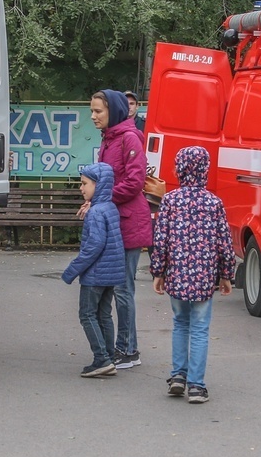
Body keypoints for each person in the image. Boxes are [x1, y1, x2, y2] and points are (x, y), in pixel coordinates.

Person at [150, 146, 234, 404]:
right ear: (205, 169)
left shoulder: (170, 201)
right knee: (199, 328)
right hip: (204, 276)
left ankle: (177, 376)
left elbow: (160, 239)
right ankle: (196, 386)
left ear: (179, 168)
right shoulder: (214, 203)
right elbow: (224, 242)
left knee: (180, 323)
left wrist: (158, 271)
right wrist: (226, 274)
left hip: (176, 273)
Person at [88, 88, 152, 370]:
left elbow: (135, 182)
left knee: (123, 289)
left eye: (98, 111)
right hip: (114, 222)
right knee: (116, 288)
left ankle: (128, 350)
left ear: (112, 111)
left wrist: (101, 197)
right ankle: (123, 346)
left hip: (128, 223)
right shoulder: (109, 139)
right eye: (91, 111)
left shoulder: (128, 138)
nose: (93, 116)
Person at [62, 162, 126, 378]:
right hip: (111, 273)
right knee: (103, 314)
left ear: (99, 185)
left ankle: (101, 359)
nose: (81, 188)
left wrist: (72, 270)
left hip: (96, 273)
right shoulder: (109, 207)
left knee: (87, 314)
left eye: (85, 183)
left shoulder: (96, 212)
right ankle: (108, 357)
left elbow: (94, 246)